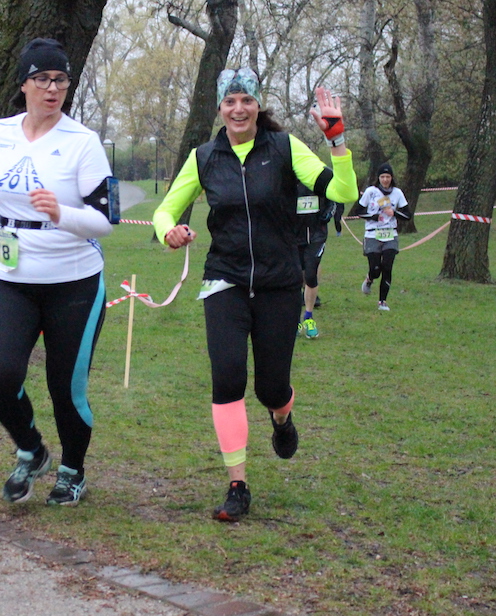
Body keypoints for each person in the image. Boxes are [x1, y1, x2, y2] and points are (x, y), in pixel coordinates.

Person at [152, 68, 358, 522]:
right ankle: (237, 485)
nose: (239, 109)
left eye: (246, 100)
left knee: (270, 388)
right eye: (230, 101)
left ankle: (282, 417)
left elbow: (343, 191)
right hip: (224, 280)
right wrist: (170, 231)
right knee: (227, 378)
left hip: (278, 282)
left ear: (258, 104)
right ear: (220, 108)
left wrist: (337, 141)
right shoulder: (205, 157)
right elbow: (164, 210)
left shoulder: (283, 148)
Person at [0, 38, 114, 507]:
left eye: (61, 80)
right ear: (24, 84)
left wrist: (60, 213)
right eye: (43, 79)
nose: (53, 89)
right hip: (12, 278)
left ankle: (72, 471)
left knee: (65, 388)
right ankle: (32, 451)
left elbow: (105, 220)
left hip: (74, 282)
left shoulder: (83, 142)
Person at [349, 162, 410, 311]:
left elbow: (408, 215)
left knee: (387, 267)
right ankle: (370, 279)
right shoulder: (371, 191)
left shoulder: (397, 193)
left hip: (390, 234)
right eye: (382, 177)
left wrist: (394, 213)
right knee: (376, 269)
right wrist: (373, 216)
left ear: (392, 178)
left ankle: (382, 302)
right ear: (378, 178)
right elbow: (358, 211)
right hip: (372, 234)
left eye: (388, 176)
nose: (385, 180)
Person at [296, 182, 342, 339]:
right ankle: (295, 320)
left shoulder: (319, 179)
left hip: (317, 236)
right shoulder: (289, 179)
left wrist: (328, 214)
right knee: (295, 277)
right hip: (294, 236)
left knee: (310, 274)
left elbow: (333, 200)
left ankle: (308, 317)